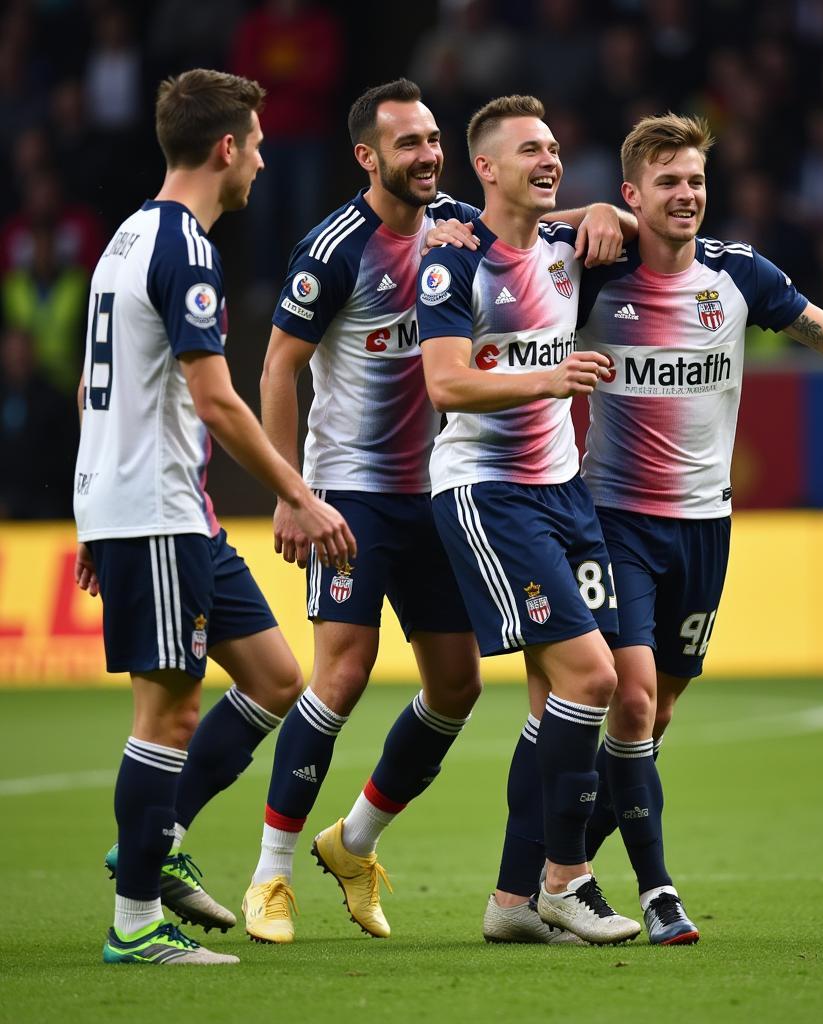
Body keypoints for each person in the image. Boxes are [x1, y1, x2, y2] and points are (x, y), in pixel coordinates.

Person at [527, 112, 823, 945]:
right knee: (630, 698)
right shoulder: (594, 271)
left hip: (706, 526)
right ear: (635, 194)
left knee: (659, 713)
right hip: (613, 521)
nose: (687, 195)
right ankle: (658, 891)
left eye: (697, 181)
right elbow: (489, 223)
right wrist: (585, 212)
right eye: (668, 182)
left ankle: (554, 868)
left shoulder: (737, 273)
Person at [241, 78, 625, 945]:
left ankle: (358, 844)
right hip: (351, 489)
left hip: (440, 490)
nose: (427, 156)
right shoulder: (335, 248)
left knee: (456, 686)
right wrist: (290, 494)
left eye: (432, 140)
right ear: (367, 158)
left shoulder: (463, 224)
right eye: (407, 144)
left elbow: (541, 223)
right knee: (340, 673)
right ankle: (271, 872)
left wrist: (601, 208)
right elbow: (275, 368)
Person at [73, 68, 353, 967]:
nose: (265, 162)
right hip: (154, 511)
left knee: (275, 677)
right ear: (226, 147)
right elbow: (220, 401)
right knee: (169, 715)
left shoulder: (123, 240)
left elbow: (91, 388)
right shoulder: (186, 248)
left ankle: (155, 842)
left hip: (165, 512)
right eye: (260, 145)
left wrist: (86, 511)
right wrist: (301, 495)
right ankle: (135, 922)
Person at [416, 94, 640, 946]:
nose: (550, 160)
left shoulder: (560, 246)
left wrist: (613, 209)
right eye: (530, 151)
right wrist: (546, 380)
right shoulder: (453, 260)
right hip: (487, 493)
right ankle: (567, 881)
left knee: (562, 702)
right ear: (486, 168)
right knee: (592, 680)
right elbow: (445, 384)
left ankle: (513, 902)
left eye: (554, 147)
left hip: (564, 491)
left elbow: (606, 217)